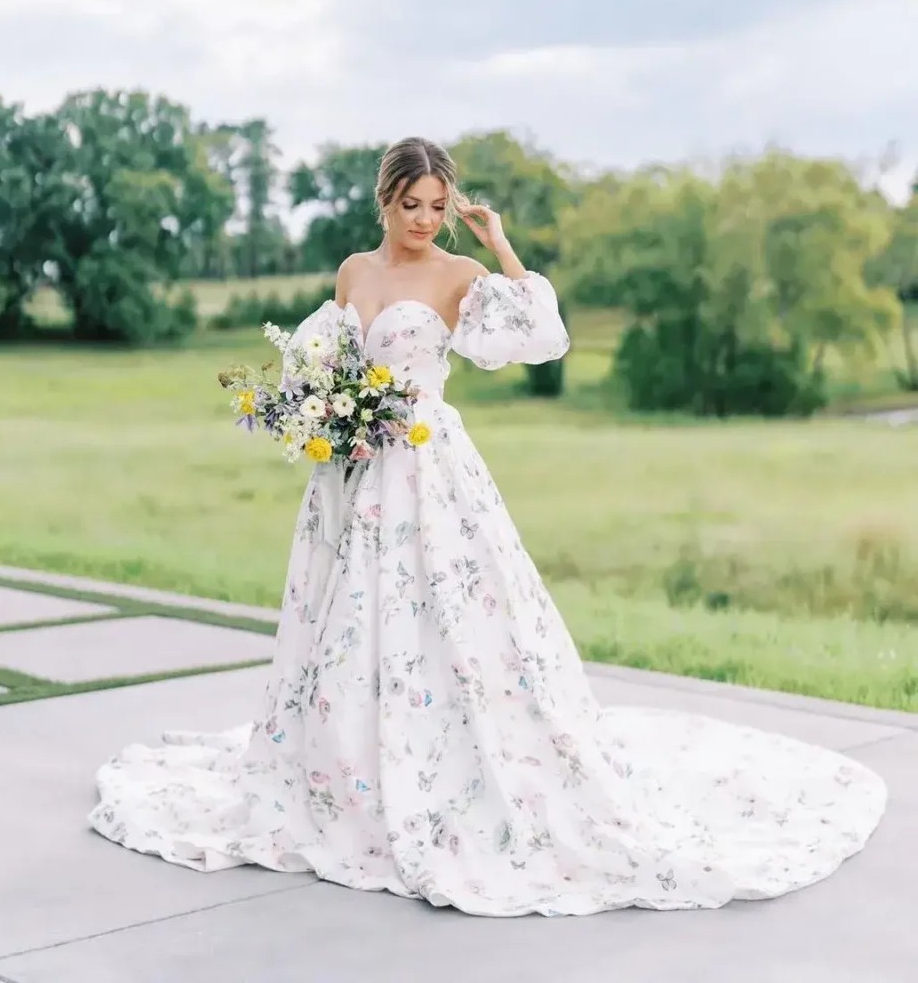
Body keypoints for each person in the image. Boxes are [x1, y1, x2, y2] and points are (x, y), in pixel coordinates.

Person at [89, 136, 887, 917]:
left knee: (449, 621)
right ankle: (347, 772)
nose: (426, 220)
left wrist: (499, 243)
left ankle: (451, 770)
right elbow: (321, 361)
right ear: (385, 201)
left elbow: (546, 336)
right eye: (413, 205)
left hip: (428, 473)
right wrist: (321, 416)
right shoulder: (354, 272)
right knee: (348, 626)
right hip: (351, 475)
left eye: (438, 206)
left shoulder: (460, 274)